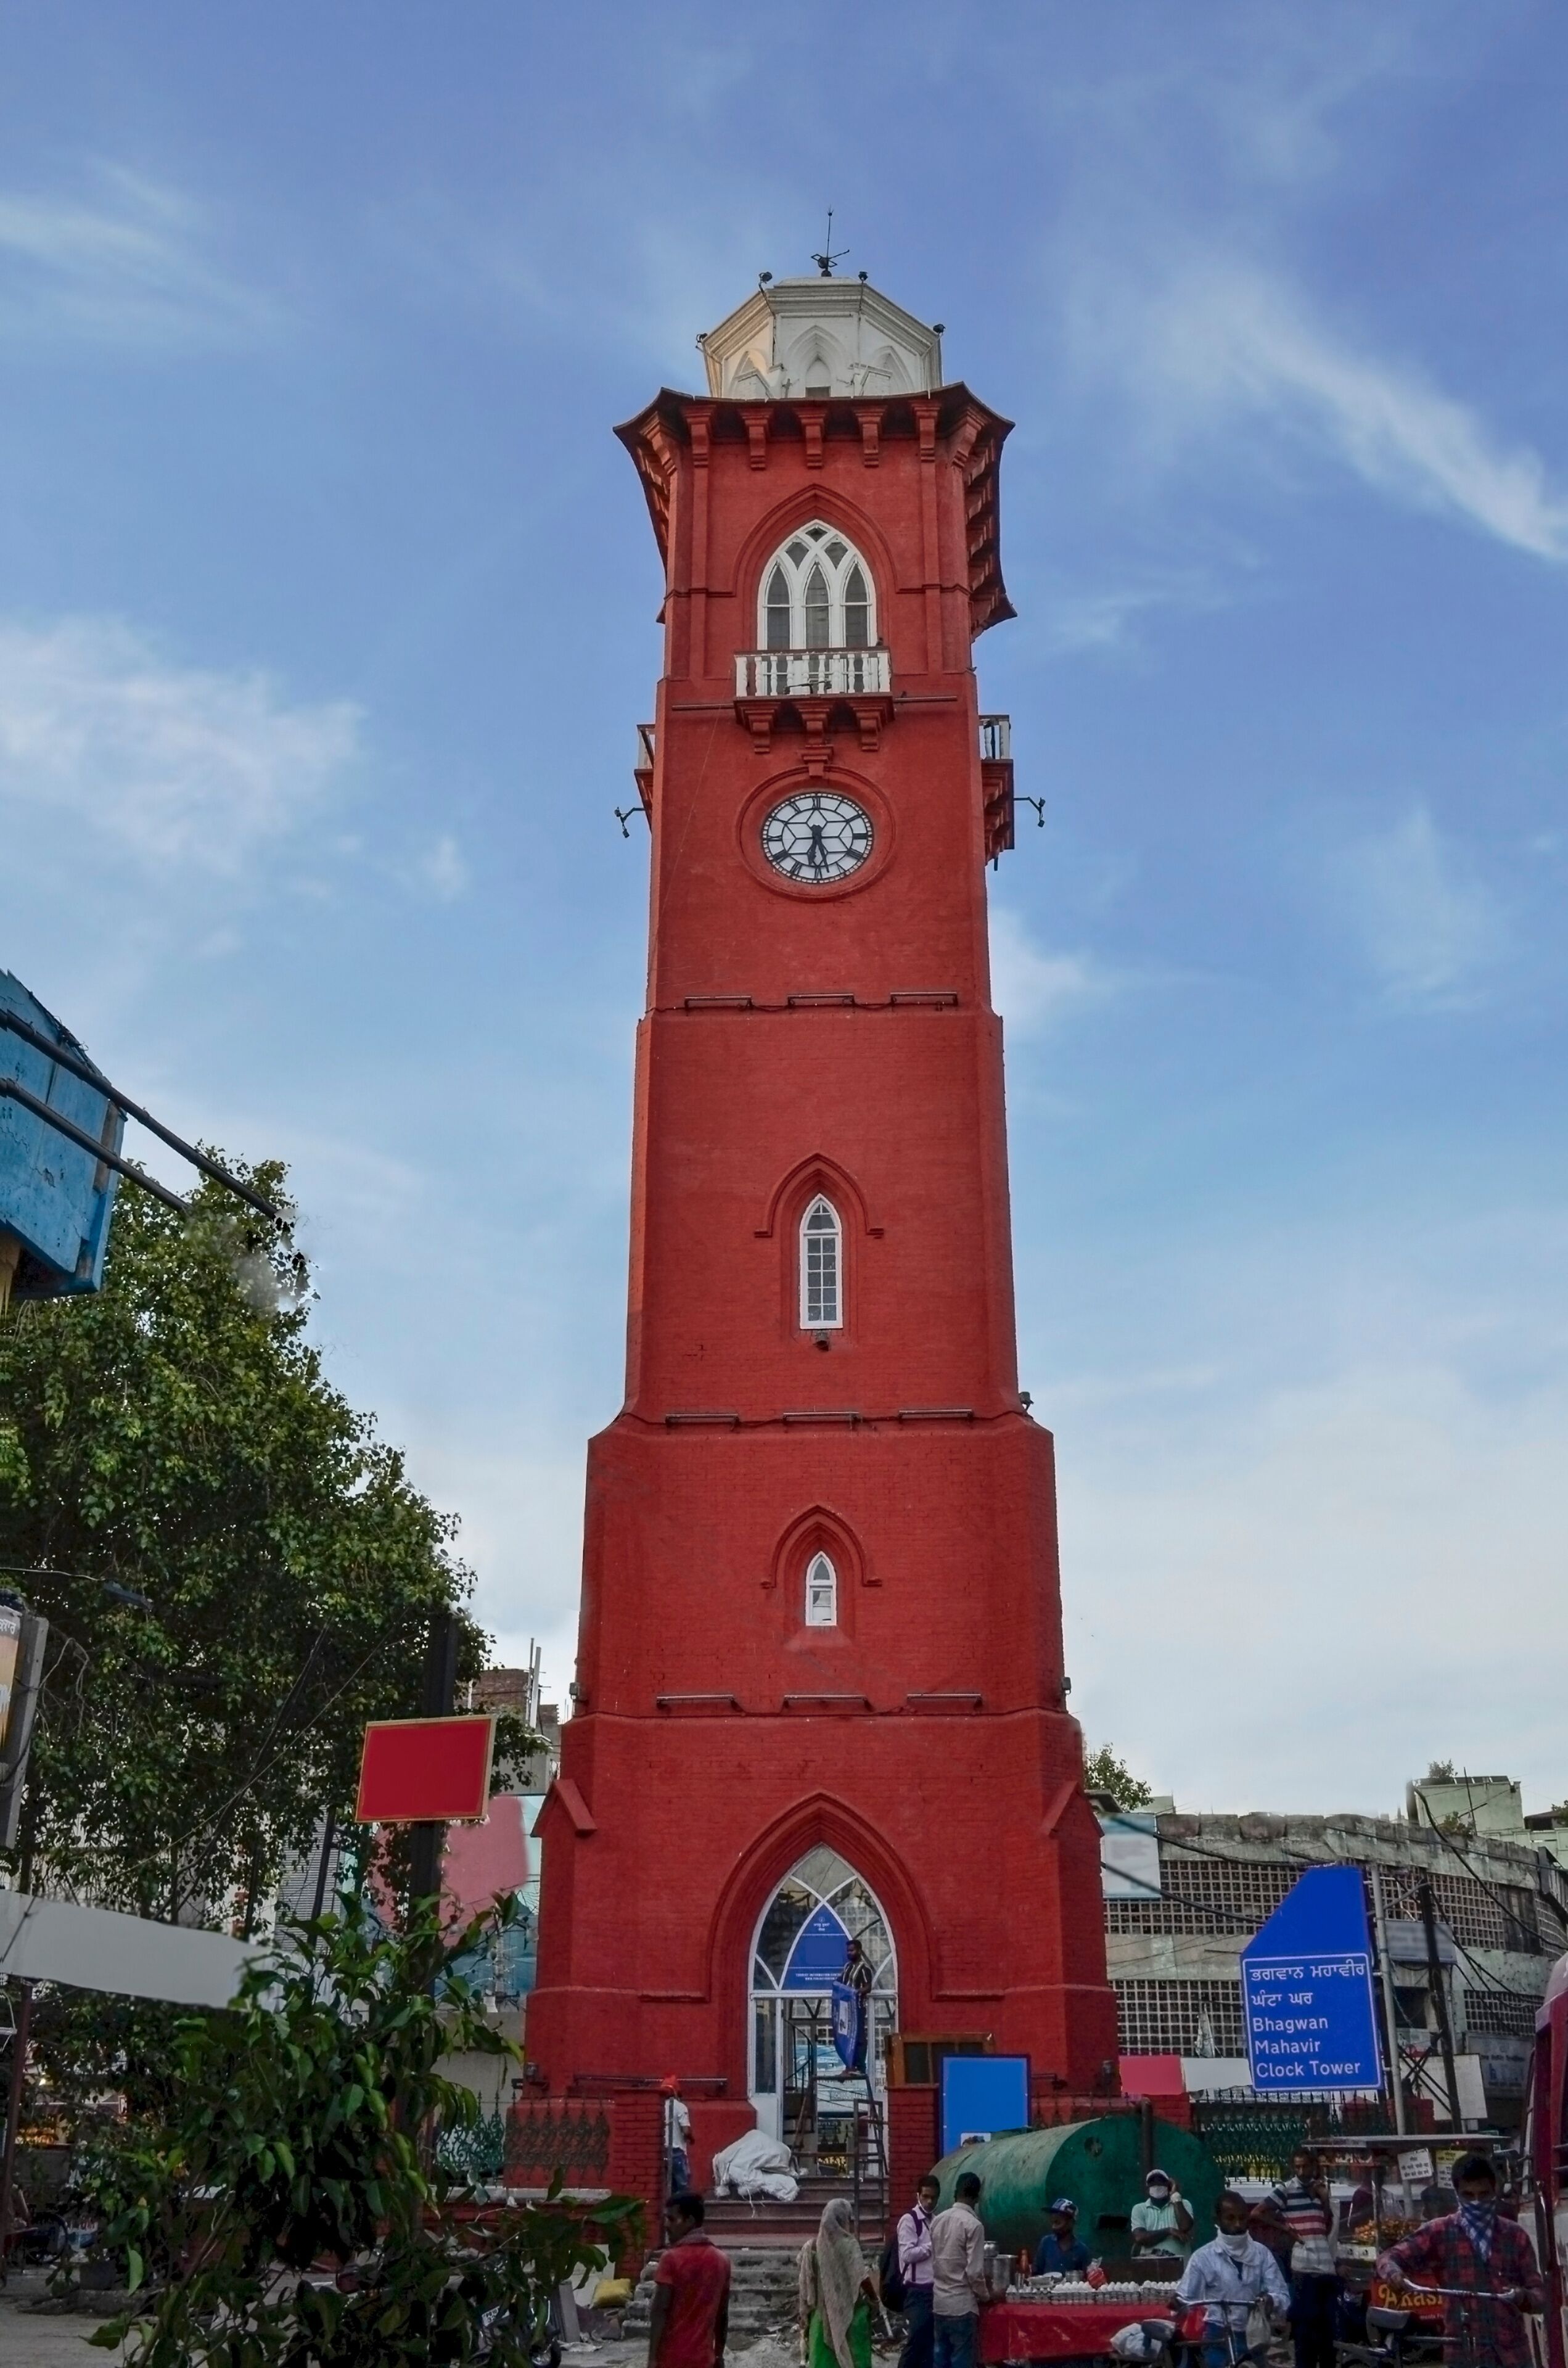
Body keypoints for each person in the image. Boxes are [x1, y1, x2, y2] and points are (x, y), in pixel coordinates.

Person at [1378, 2150, 1544, 2368]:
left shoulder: (1515, 2236)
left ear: (1494, 2190)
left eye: (1484, 2194)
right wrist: (1394, 2274)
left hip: (1513, 2357)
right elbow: (1389, 2257)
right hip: (1462, 2355)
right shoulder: (1440, 2232)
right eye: (1468, 2195)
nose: (1477, 2202)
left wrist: (1522, 2296)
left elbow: (1541, 2297)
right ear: (1457, 2194)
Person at [1175, 2189, 1291, 2368]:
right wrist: (1176, 2303)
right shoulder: (1203, 2257)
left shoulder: (1262, 2254)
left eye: (1242, 2218)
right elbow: (1185, 2298)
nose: (1238, 2224)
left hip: (1254, 2336)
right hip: (1218, 2336)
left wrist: (1271, 2300)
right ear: (1217, 2220)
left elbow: (1283, 2296)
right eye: (1230, 2218)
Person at [1254, 2146, 1339, 2368]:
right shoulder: (1286, 2189)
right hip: (1304, 2267)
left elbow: (1326, 2227)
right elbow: (1257, 2213)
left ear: (1313, 2167)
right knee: (1305, 2332)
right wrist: (1286, 2229)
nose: (1301, 2172)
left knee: (1328, 2332)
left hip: (1326, 2266)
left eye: (1305, 2167)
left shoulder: (1319, 2190)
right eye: (1297, 2167)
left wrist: (1324, 2199)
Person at [650, 2191, 731, 2368]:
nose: (666, 2225)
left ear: (690, 2221)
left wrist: (652, 2359)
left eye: (672, 2219)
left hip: (672, 2359)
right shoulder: (722, 2260)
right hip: (705, 2359)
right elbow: (722, 2315)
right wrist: (719, 2355)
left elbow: (659, 2311)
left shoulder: (671, 2259)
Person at [800, 2195, 879, 2368]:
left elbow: (806, 2285)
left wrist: (805, 2314)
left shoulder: (811, 2247)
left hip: (821, 2319)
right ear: (844, 2219)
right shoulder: (849, 2245)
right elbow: (862, 2277)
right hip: (849, 2315)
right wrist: (874, 2299)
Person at [930, 2171, 989, 2368]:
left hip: (940, 2303)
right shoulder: (974, 2225)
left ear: (956, 2193)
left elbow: (933, 2261)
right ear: (977, 2197)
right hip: (962, 2307)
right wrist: (986, 2296)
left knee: (940, 2360)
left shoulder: (937, 2220)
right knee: (962, 2361)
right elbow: (974, 2273)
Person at [895, 2176, 939, 2368]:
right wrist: (931, 2246)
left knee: (928, 2344)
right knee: (916, 2341)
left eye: (933, 2198)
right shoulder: (910, 2220)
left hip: (933, 2289)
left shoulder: (935, 2221)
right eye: (926, 2197)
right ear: (918, 2196)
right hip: (916, 2290)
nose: (929, 2202)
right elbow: (907, 2255)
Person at [1130, 2168, 1194, 2261]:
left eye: (1161, 2182)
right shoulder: (1139, 2209)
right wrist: (1169, 2231)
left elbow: (1185, 2226)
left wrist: (1175, 2196)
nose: (1157, 2186)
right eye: (1153, 2183)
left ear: (1169, 2186)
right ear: (1148, 2189)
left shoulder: (1183, 2204)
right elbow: (1140, 2237)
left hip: (1180, 2265)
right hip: (1150, 2267)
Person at [1032, 2198, 1090, 2277]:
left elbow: (1085, 2280)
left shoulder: (1082, 2250)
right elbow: (1036, 2274)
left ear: (1071, 2223)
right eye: (1053, 2222)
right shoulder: (1046, 2243)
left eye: (1058, 2222)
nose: (1053, 2227)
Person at [662, 2075, 693, 2195]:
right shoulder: (680, 2107)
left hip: (661, 2152)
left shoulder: (659, 2107)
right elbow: (686, 2131)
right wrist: (691, 2139)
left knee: (666, 2188)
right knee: (682, 2187)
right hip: (677, 2152)